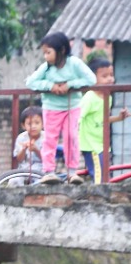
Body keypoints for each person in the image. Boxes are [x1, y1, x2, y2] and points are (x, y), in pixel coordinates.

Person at [26, 32, 97, 185]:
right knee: (50, 139)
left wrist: (69, 85)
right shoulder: (46, 68)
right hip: (51, 108)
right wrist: (50, 86)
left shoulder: (74, 64)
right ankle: (49, 172)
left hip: (72, 107)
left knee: (71, 138)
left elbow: (91, 79)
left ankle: (72, 172)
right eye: (44, 53)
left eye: (48, 52)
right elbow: (31, 82)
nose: (46, 56)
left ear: (62, 50)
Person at [78, 57, 130, 183]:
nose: (109, 79)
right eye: (104, 76)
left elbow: (103, 119)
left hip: (103, 144)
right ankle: (97, 198)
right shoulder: (89, 97)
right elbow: (77, 118)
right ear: (92, 79)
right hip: (91, 145)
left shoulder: (107, 97)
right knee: (99, 175)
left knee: (105, 173)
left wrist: (119, 117)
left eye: (111, 75)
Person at [13, 106, 45, 176]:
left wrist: (36, 150)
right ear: (23, 125)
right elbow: (19, 159)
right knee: (14, 181)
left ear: (43, 124)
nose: (33, 126)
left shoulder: (46, 137)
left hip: (41, 170)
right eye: (29, 124)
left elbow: (47, 159)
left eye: (37, 123)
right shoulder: (21, 138)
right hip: (23, 169)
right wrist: (24, 149)